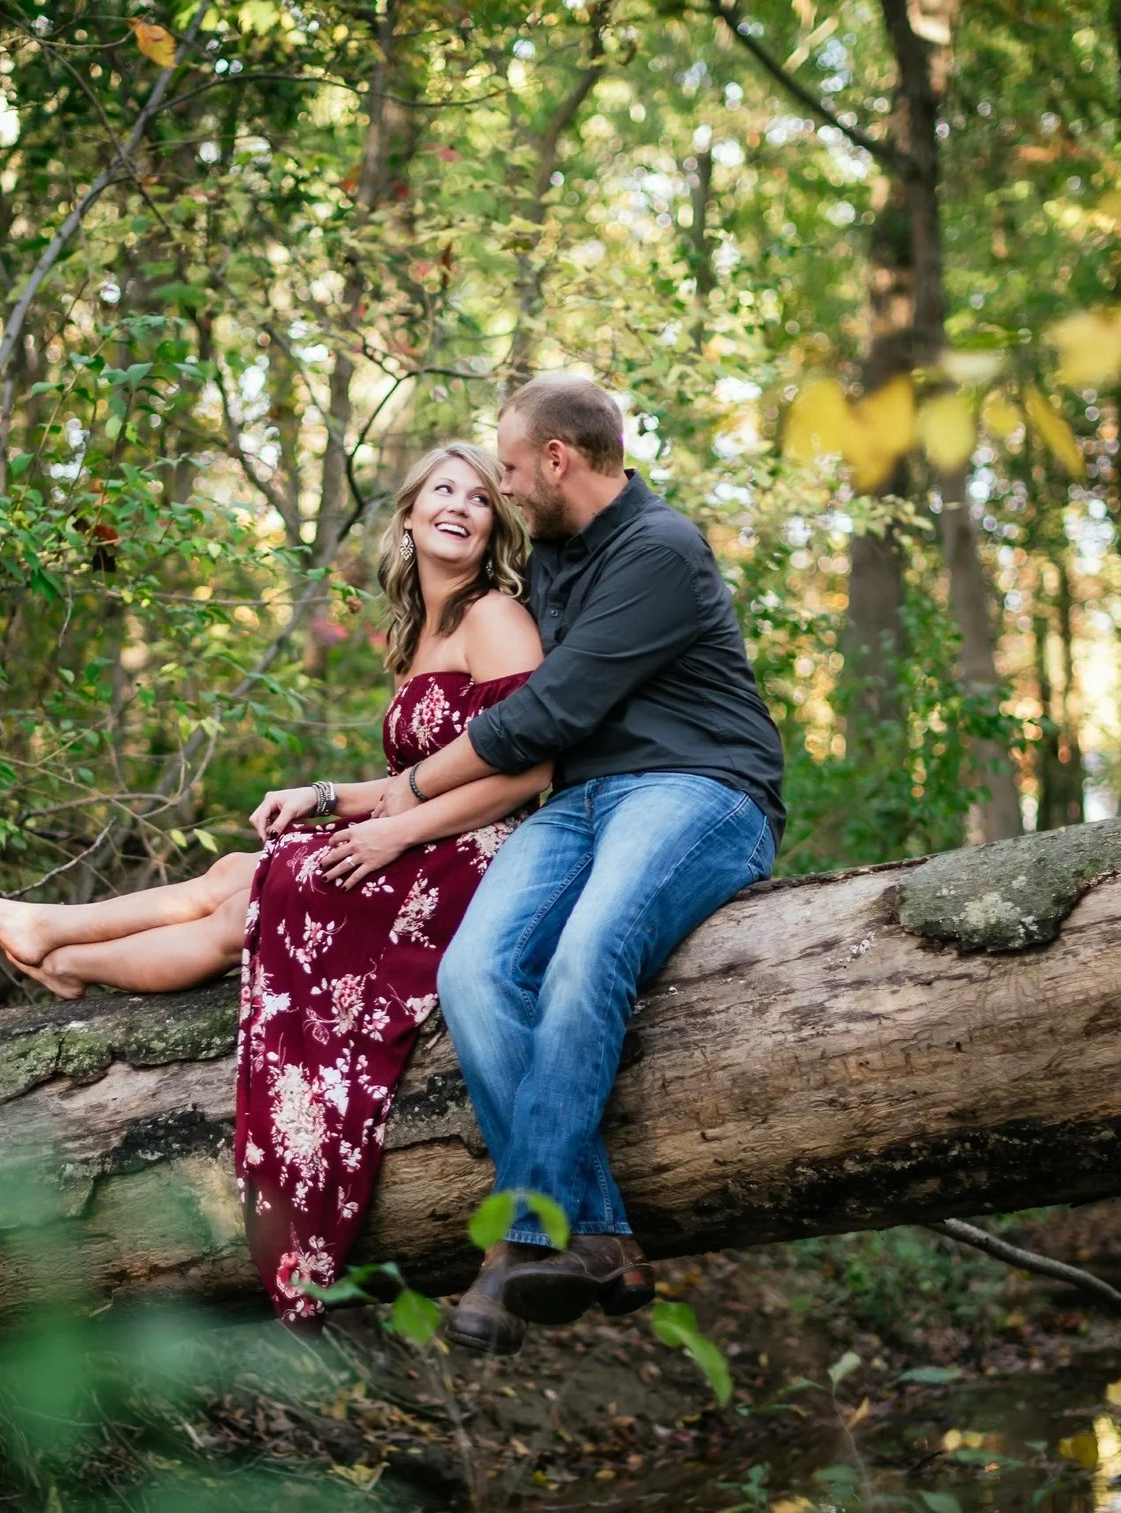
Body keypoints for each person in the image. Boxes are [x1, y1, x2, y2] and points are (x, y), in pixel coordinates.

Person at [0, 441, 550, 1325]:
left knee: (268, 889)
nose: (460, 505)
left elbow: (528, 770)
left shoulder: (495, 615)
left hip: (479, 858)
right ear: (410, 514)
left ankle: (61, 950)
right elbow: (416, 778)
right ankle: (54, 936)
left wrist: (388, 834)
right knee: (243, 869)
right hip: (426, 835)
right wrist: (323, 796)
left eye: (480, 497)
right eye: (443, 489)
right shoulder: (418, 631)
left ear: (496, 525)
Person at [366, 375, 786, 1357]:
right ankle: (597, 1236)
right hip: (576, 802)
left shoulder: (661, 550)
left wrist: (412, 788)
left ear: (557, 460)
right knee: (473, 973)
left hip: (699, 788)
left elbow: (548, 712)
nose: (504, 488)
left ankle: (517, 1242)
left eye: (511, 470)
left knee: (590, 948)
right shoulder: (549, 557)